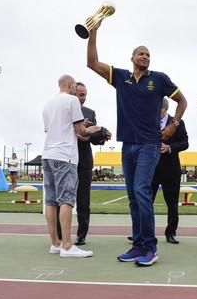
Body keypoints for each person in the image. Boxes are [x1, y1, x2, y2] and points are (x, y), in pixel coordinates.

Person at [87, 23, 187, 267]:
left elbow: (182, 100)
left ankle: (151, 247)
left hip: (149, 144)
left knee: (142, 191)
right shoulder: (121, 77)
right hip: (128, 145)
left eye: (148, 54)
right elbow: (92, 63)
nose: (145, 56)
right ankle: (138, 244)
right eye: (141, 53)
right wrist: (93, 32)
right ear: (132, 58)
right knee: (133, 196)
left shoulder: (159, 79)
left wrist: (174, 123)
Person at [42, 75, 101, 258]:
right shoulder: (72, 100)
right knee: (66, 199)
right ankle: (67, 245)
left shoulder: (48, 103)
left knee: (51, 201)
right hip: (65, 155)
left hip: (48, 154)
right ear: (72, 85)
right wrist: (95, 129)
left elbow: (49, 129)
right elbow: (80, 131)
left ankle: (55, 243)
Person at [151, 97, 188, 244]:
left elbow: (185, 143)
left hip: (171, 169)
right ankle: (143, 232)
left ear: (165, 108)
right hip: (151, 169)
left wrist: (170, 148)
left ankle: (171, 233)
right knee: (146, 202)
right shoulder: (149, 121)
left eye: (157, 108)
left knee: (172, 203)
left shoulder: (177, 123)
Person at [73, 82, 98, 246]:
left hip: (84, 159)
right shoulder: (63, 111)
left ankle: (82, 234)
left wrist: (99, 134)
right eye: (80, 94)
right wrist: (78, 131)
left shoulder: (90, 112)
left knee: (83, 199)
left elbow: (95, 139)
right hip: (66, 157)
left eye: (85, 95)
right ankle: (60, 234)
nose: (83, 98)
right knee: (64, 198)